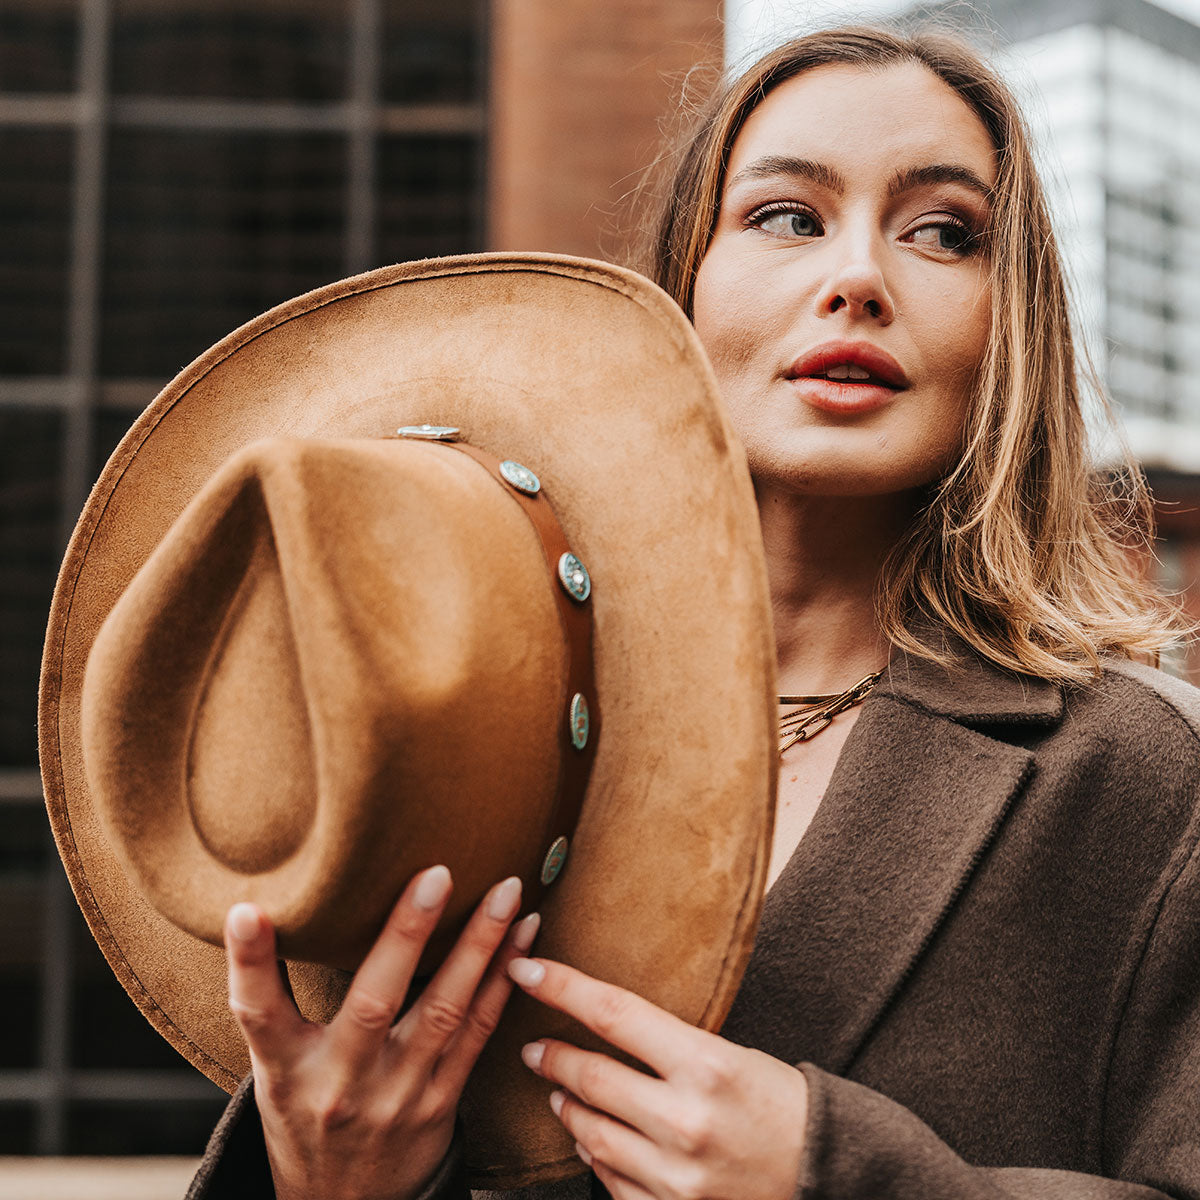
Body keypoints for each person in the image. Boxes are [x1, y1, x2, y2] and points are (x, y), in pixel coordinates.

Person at [203, 23, 1200, 1200]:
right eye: (787, 217)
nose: (859, 279)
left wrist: (833, 1178)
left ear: (1010, 328)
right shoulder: (488, 713)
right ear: (680, 289)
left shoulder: (1142, 773)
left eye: (945, 232)